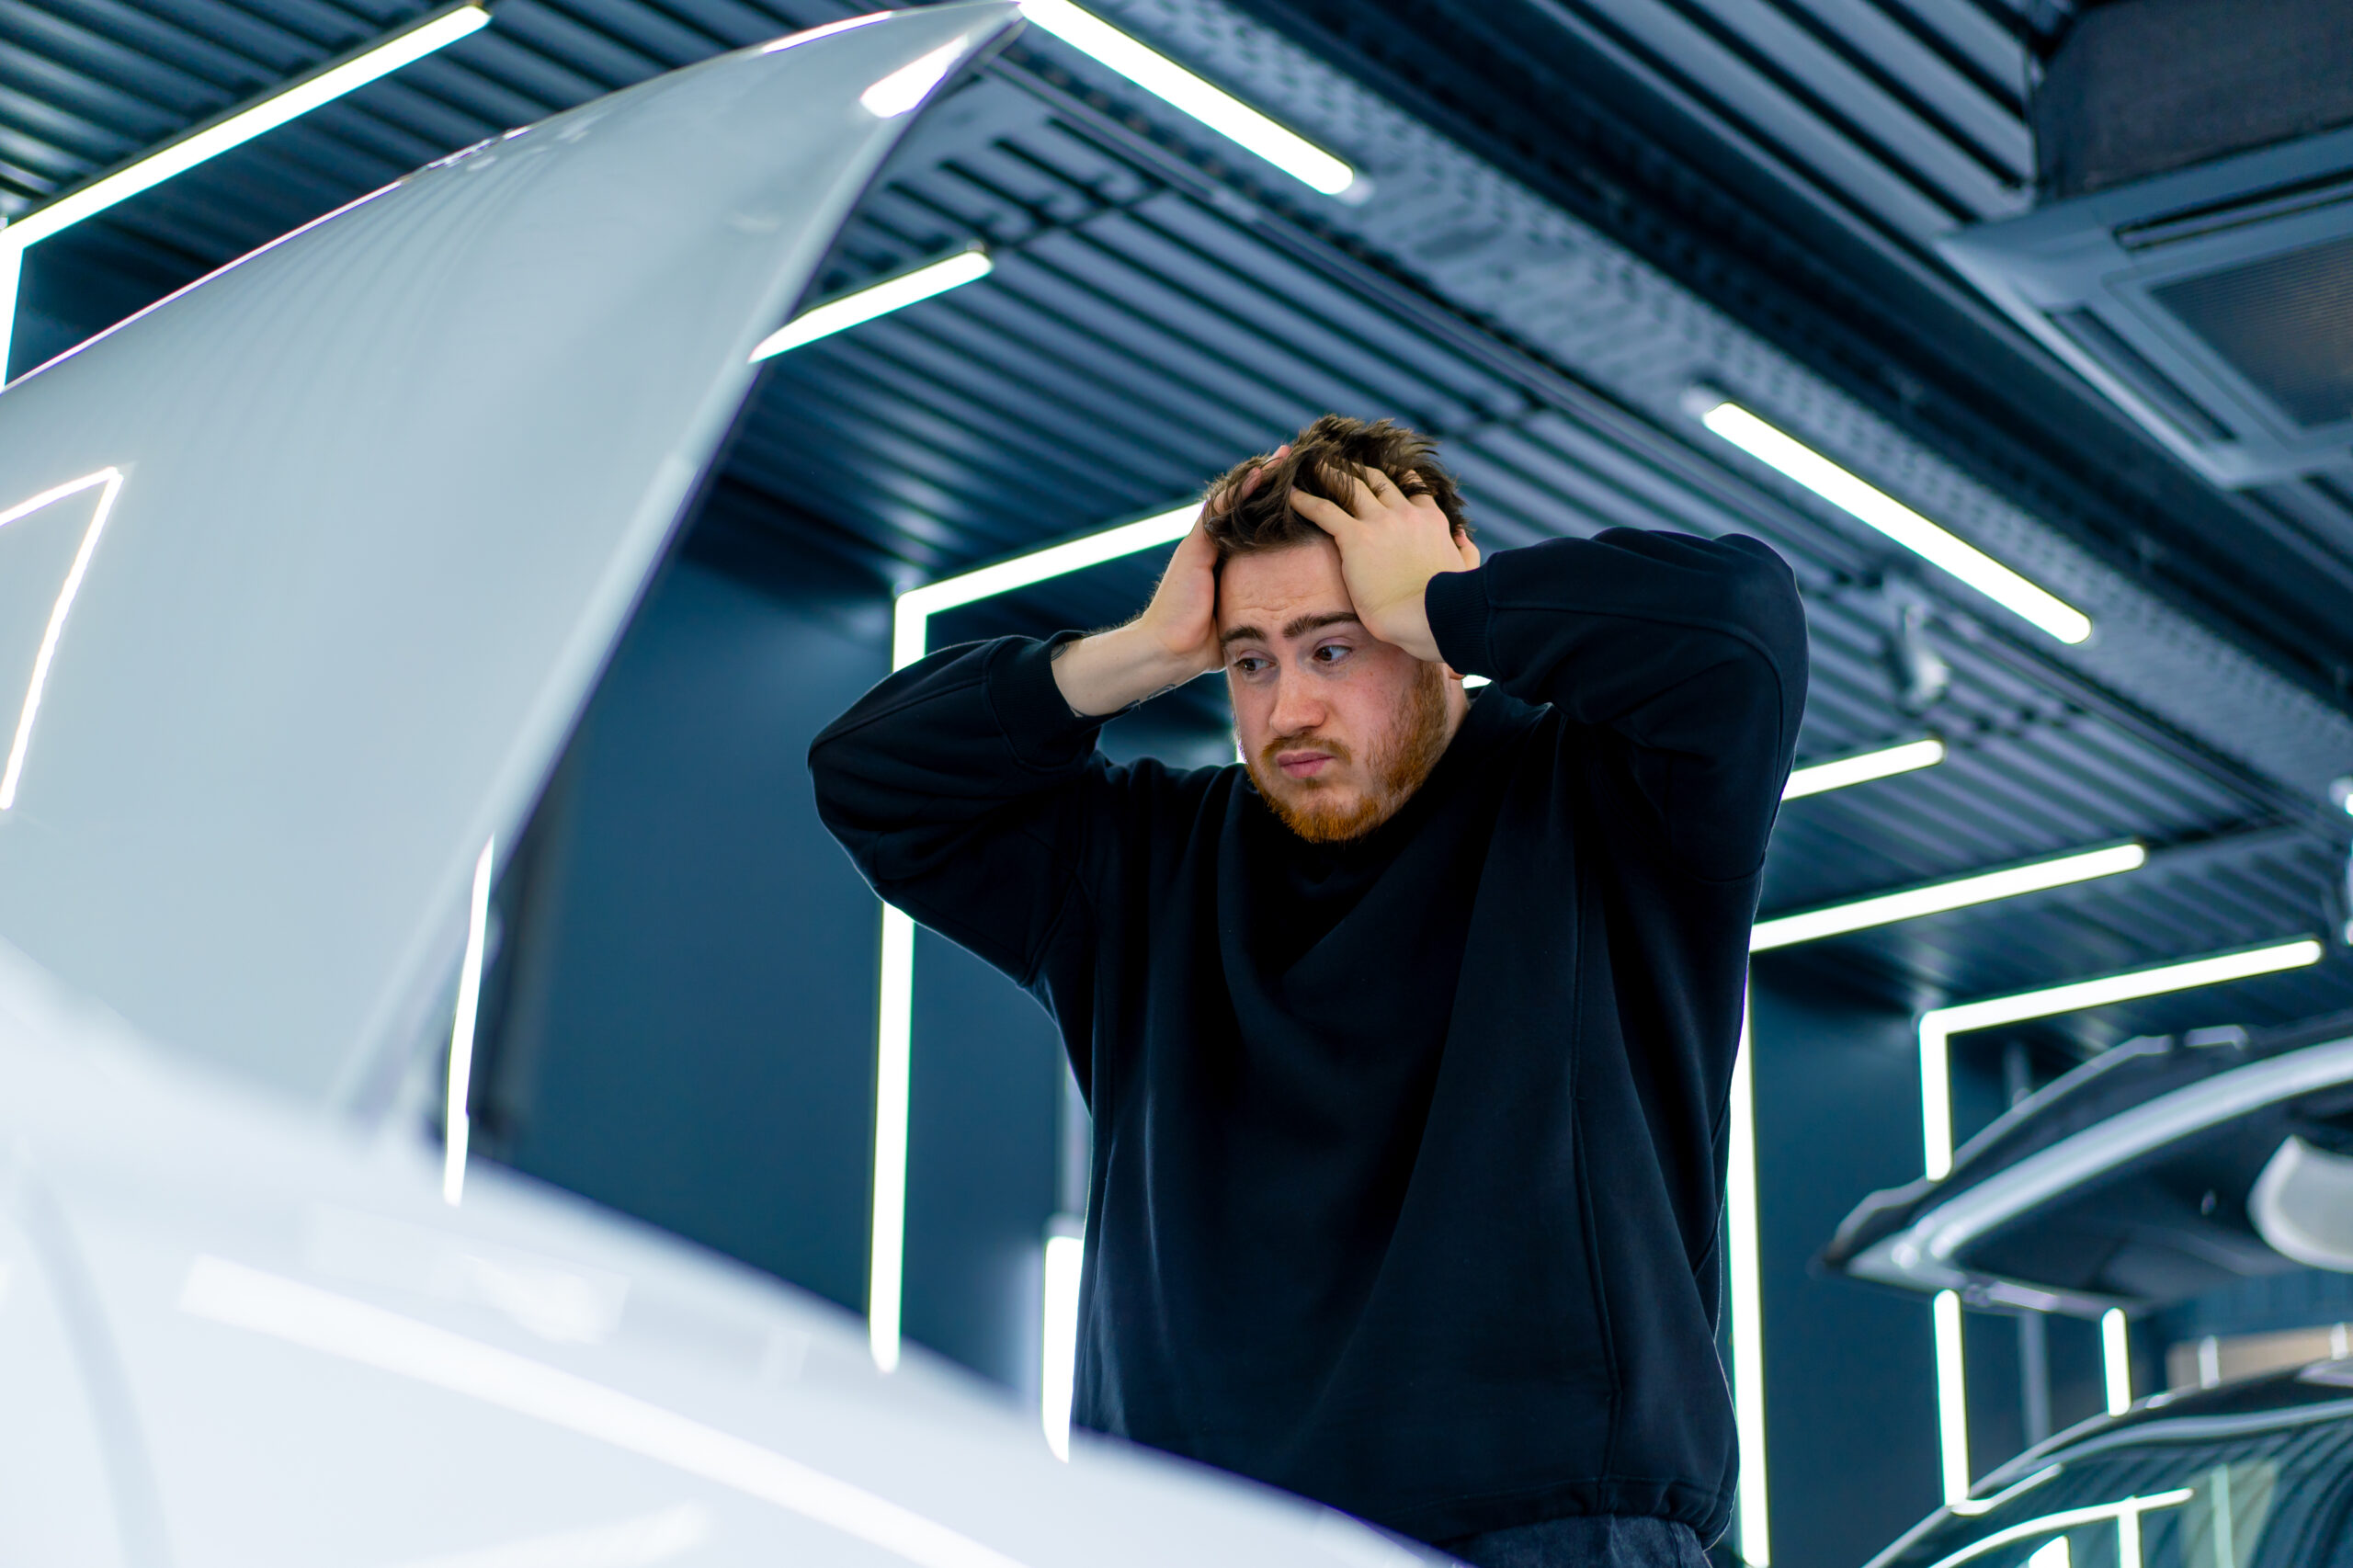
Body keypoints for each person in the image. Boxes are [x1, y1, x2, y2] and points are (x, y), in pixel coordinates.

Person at [809, 415, 1808, 1567]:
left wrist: (1445, 601)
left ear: (1428, 626)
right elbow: (870, 778)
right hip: (1182, 1535)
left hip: (1541, 1528)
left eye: (1334, 648)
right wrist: (1142, 648)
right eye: (1250, 660)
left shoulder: (1604, 804)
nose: (1287, 710)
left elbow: (1739, 630)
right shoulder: (1144, 862)